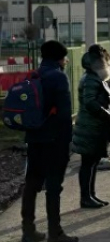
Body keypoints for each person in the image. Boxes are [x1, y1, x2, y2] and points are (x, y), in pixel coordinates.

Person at [20, 40, 78, 242]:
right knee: (53, 186)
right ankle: (56, 232)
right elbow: (63, 114)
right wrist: (68, 141)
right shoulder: (59, 77)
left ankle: (28, 231)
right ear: (60, 58)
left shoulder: (33, 75)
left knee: (32, 184)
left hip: (34, 138)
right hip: (54, 140)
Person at [72, 44, 110, 209]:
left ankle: (91, 194)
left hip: (93, 126)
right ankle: (86, 197)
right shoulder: (91, 78)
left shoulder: (92, 76)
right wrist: (106, 113)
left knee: (93, 162)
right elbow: (90, 102)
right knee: (88, 163)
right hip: (91, 127)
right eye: (105, 59)